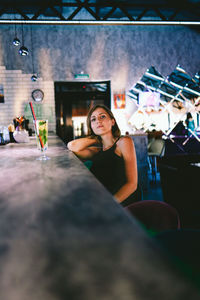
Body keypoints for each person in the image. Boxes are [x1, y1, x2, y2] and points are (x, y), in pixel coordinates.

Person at [67, 104, 140, 207]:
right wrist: (97, 137)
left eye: (102, 117)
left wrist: (110, 203)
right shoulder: (96, 150)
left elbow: (132, 184)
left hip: (121, 202)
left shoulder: (124, 142)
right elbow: (72, 146)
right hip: (101, 199)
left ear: (112, 121)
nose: (98, 121)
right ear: (91, 126)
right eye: (93, 120)